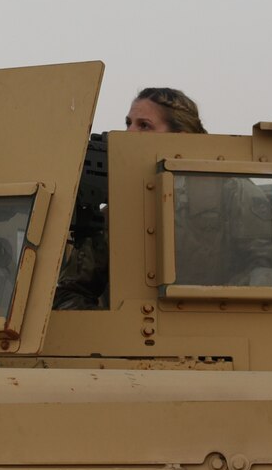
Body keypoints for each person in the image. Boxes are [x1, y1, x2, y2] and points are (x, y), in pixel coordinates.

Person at [54, 87, 206, 310]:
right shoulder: (116, 214)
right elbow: (71, 292)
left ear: (179, 139)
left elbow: (263, 267)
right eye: (129, 123)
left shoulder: (231, 194)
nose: (130, 133)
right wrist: (106, 337)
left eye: (144, 125)